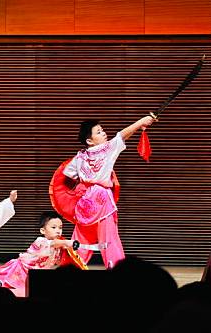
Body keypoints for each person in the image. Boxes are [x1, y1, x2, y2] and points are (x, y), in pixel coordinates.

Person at [57, 115, 154, 268]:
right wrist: (141, 122)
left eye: (102, 130)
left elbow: (68, 175)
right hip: (102, 201)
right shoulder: (107, 149)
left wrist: (82, 186)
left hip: (85, 203)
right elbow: (122, 135)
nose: (103, 133)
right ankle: (118, 274)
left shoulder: (80, 156)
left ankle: (69, 271)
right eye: (98, 132)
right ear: (90, 140)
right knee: (109, 241)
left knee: (80, 242)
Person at [0, 211, 79, 297]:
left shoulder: (59, 246)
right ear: (43, 230)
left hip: (37, 274)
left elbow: (60, 258)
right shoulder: (41, 241)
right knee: (5, 284)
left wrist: (70, 248)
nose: (58, 231)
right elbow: (54, 243)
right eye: (54, 227)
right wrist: (67, 242)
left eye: (60, 227)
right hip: (22, 269)